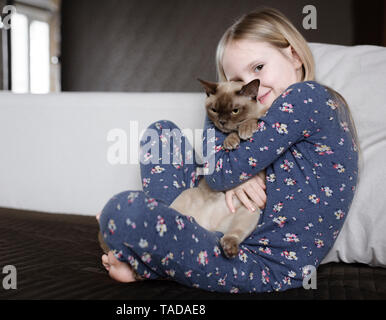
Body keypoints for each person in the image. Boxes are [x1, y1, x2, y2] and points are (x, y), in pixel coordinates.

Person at [97, 7, 359, 293]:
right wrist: (223, 103)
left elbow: (221, 174)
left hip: (260, 262)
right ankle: (149, 241)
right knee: (160, 135)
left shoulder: (307, 97)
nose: (249, 85)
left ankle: (143, 255)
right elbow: (222, 171)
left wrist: (237, 171)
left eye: (258, 68)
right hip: (211, 219)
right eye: (236, 81)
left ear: (294, 55)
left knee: (123, 210)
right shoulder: (253, 114)